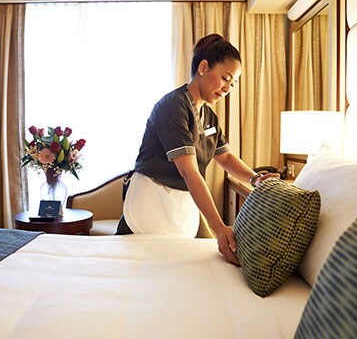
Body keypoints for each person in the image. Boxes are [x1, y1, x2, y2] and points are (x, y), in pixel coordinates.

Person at [116, 33, 279, 265]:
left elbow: (226, 158)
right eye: (225, 78)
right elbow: (189, 171)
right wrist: (220, 228)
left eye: (232, 83)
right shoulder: (172, 106)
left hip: (180, 206)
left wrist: (255, 180)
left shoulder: (208, 115)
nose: (227, 88)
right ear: (203, 67)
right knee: (142, 271)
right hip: (152, 201)